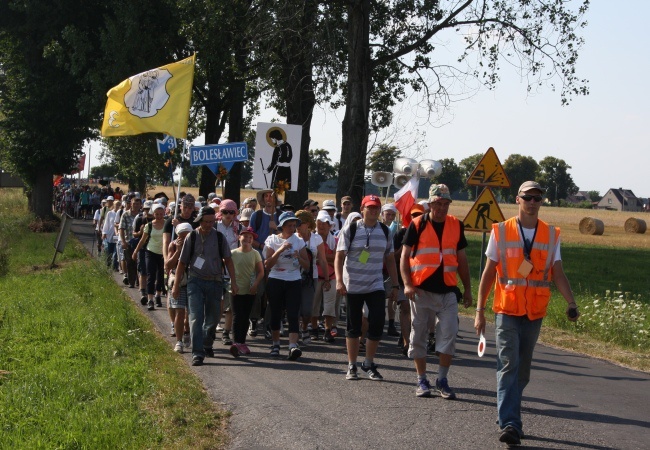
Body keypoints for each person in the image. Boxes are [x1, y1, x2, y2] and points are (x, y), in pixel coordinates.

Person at [475, 181, 579, 446]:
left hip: (534, 313)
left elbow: (557, 272)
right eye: (528, 197)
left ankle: (510, 414)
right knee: (508, 364)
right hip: (507, 311)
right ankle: (510, 422)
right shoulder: (501, 231)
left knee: (523, 372)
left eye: (537, 198)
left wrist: (571, 302)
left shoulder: (551, 234)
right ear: (517, 199)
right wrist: (480, 310)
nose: (533, 202)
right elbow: (489, 272)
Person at [400, 184, 473, 399]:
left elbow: (462, 261)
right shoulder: (417, 224)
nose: (442, 208)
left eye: (446, 203)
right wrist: (407, 284)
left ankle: (442, 379)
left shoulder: (457, 226)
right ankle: (422, 380)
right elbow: (404, 257)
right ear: (430, 204)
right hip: (421, 291)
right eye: (438, 203)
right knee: (419, 336)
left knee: (449, 333)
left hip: (448, 291)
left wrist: (468, 289)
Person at [335, 195, 399, 381]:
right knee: (354, 326)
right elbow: (339, 257)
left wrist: (395, 284)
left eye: (376, 208)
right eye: (370, 207)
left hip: (375, 284)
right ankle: (352, 365)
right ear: (362, 208)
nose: (373, 211)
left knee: (378, 322)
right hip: (353, 284)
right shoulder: (351, 229)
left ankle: (368, 363)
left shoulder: (386, 232)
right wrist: (339, 281)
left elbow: (389, 259)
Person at [171, 206, 238, 366]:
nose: (209, 225)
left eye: (211, 222)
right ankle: (198, 353)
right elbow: (182, 263)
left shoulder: (220, 237)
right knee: (195, 317)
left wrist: (234, 282)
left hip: (215, 282)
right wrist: (175, 286)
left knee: (213, 318)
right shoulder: (192, 237)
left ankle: (207, 342)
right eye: (206, 222)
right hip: (195, 282)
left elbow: (228, 260)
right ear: (199, 221)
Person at [264, 211, 309, 360]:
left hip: (293, 280)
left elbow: (307, 265)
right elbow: (267, 264)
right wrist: (280, 250)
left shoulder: (299, 241)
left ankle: (292, 346)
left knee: (293, 314)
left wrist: (298, 257)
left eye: (294, 225)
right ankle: (276, 344)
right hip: (276, 278)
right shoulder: (272, 240)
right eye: (289, 225)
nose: (292, 228)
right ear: (282, 226)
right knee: (276, 313)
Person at [294, 209, 330, 346]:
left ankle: (304, 328)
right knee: (295, 307)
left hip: (311, 277)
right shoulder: (293, 238)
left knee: (308, 309)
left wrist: (327, 279)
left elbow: (322, 260)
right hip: (294, 276)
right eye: (295, 222)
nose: (297, 225)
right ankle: (296, 332)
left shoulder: (317, 239)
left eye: (300, 222)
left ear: (308, 224)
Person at [229, 227, 264, 357]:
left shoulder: (255, 253)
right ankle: (235, 343)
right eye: (245, 236)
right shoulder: (233, 253)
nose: (247, 239)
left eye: (250, 237)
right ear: (239, 237)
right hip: (235, 288)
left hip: (250, 290)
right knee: (237, 316)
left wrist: (255, 284)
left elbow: (261, 271)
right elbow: (226, 267)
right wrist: (232, 283)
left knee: (245, 316)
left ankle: (241, 342)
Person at [216, 199, 242, 346]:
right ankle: (212, 328)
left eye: (231, 212)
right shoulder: (214, 225)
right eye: (225, 212)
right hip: (215, 269)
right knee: (218, 303)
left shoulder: (239, 228)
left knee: (231, 304)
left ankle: (226, 332)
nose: (228, 215)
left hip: (232, 270)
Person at [165, 223, 193, 353]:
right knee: (180, 311)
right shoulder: (173, 245)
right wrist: (178, 251)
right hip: (179, 281)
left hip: (193, 281)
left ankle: (187, 330)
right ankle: (179, 341)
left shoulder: (196, 245)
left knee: (191, 314)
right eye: (181, 236)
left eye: (187, 236)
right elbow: (168, 265)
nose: (184, 239)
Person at [132, 203, 166, 311]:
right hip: (150, 251)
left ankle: (158, 295)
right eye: (157, 214)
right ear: (153, 214)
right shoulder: (149, 225)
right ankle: (150, 299)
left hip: (163, 253)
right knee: (150, 274)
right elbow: (142, 240)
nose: (159, 216)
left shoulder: (167, 224)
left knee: (161, 275)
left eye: (161, 214)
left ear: (164, 213)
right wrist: (135, 251)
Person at [313, 210, 338, 343]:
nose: (322, 225)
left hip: (332, 276)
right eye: (319, 223)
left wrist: (321, 258)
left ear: (330, 226)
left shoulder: (335, 240)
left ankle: (327, 330)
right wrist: (328, 258)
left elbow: (337, 258)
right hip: (315, 277)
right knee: (314, 304)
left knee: (329, 305)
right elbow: (312, 257)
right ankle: (315, 328)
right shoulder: (312, 239)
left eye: (325, 223)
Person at [119, 196, 142, 288]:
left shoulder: (142, 215)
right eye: (134, 204)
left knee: (139, 262)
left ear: (140, 205)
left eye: (137, 204)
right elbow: (121, 228)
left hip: (139, 243)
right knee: (130, 262)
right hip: (128, 241)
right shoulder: (125, 214)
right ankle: (131, 281)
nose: (136, 206)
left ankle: (138, 281)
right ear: (130, 204)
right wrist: (123, 241)